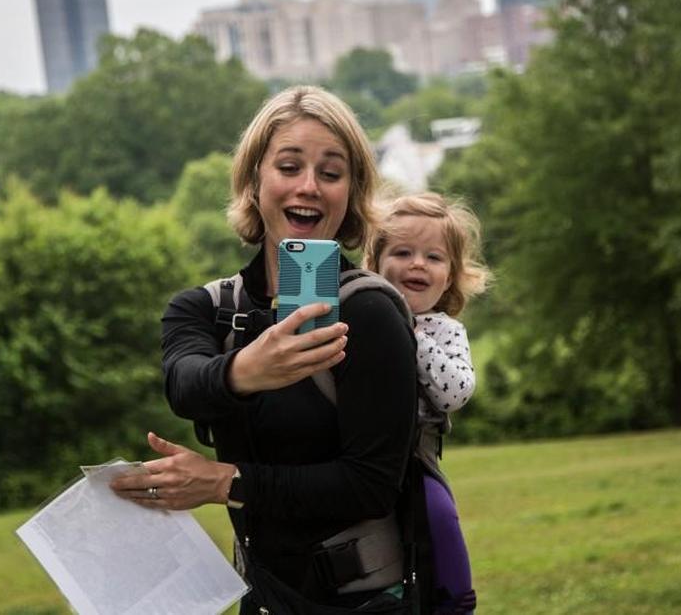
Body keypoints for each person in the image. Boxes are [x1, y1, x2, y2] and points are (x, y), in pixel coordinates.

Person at [110, 85, 419, 612]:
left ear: (350, 193)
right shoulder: (204, 308)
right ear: (254, 180)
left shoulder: (370, 313)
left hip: (365, 601)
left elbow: (369, 485)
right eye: (289, 166)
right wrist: (245, 372)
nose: (309, 187)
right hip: (266, 599)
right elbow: (183, 387)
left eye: (331, 172)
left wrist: (223, 481)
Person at [364, 192, 490, 615]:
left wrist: (411, 336)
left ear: (451, 275)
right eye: (402, 252)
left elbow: (455, 392)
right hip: (360, 453)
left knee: (439, 516)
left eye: (433, 257)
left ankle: (455, 602)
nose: (418, 263)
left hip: (415, 461)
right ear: (376, 263)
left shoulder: (445, 331)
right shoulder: (362, 318)